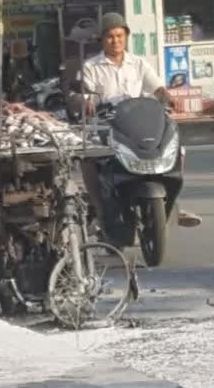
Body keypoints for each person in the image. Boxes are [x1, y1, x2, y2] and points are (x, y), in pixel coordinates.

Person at [78, 12, 201, 229]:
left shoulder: (138, 64)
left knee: (172, 147)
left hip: (136, 121)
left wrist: (168, 97)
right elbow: (84, 93)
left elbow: (157, 88)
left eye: (119, 36)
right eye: (110, 37)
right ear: (102, 40)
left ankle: (170, 206)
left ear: (126, 37)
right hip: (107, 123)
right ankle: (99, 209)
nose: (115, 41)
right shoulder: (91, 66)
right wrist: (86, 101)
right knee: (88, 157)